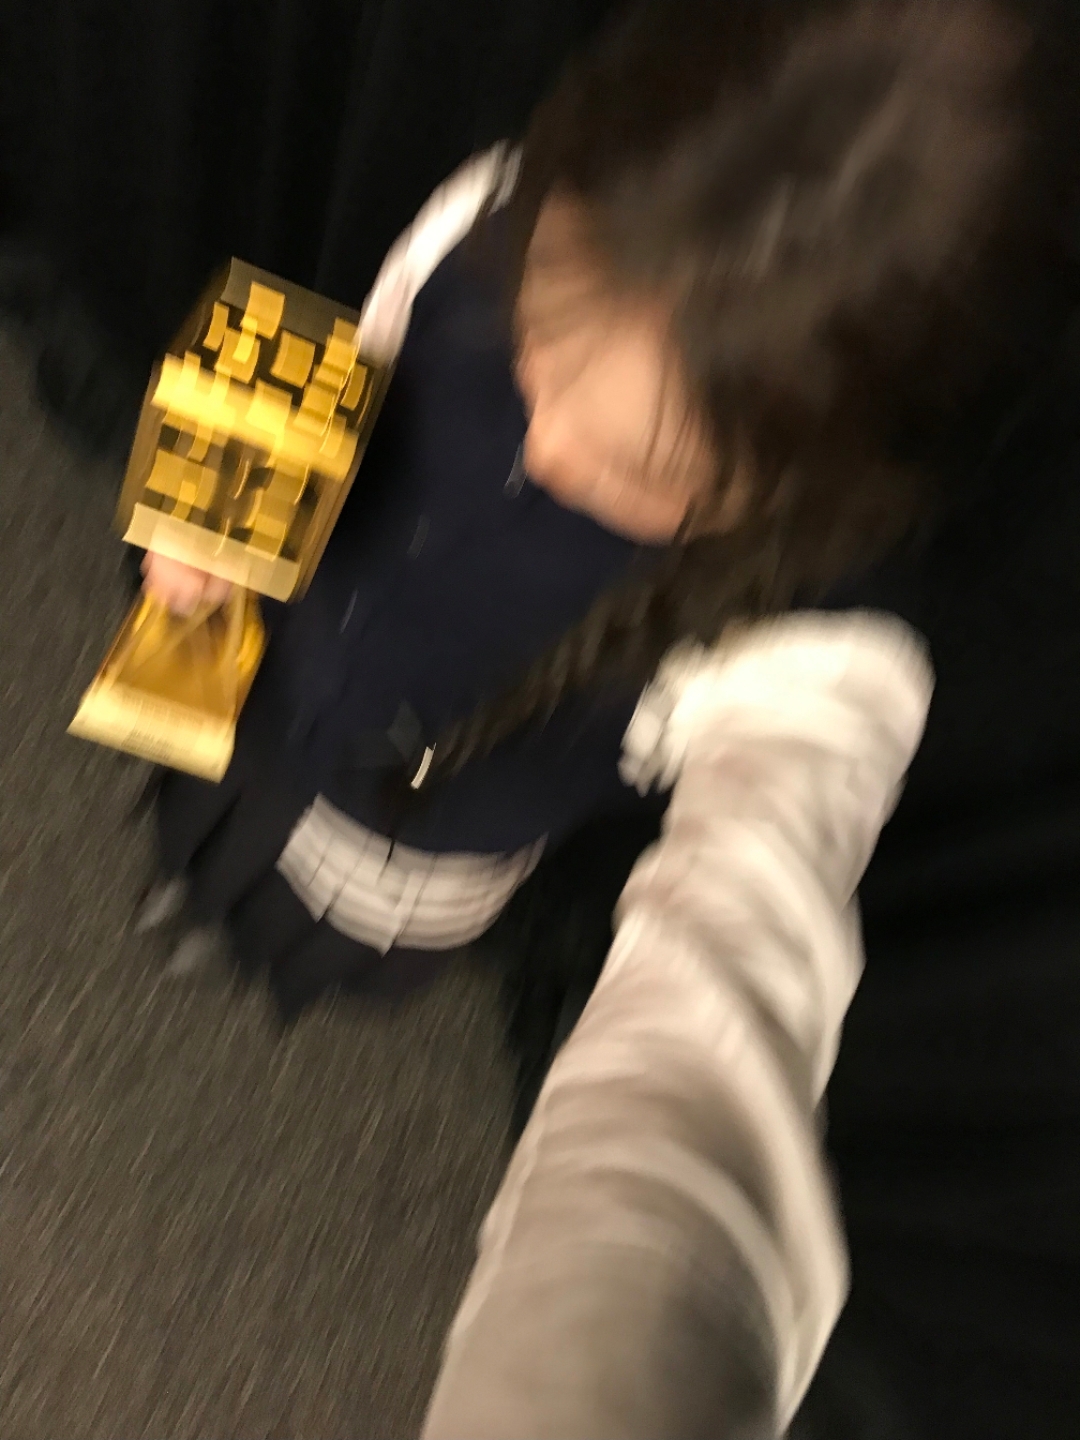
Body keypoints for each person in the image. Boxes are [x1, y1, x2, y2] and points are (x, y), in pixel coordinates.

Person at [130, 0, 1079, 1427]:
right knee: (212, 804)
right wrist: (218, 507)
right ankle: (202, 886)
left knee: (311, 922)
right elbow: (359, 339)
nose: (549, 436)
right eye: (541, 336)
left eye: (643, 467)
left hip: (411, 849)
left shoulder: (809, 641)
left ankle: (251, 940)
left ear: (802, 481)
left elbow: (751, 932)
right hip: (276, 664)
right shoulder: (497, 202)